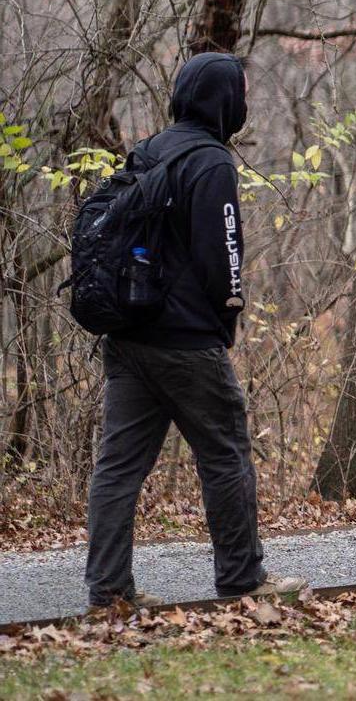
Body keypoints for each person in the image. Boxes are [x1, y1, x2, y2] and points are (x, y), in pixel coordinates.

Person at [86, 52, 306, 610]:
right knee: (226, 453)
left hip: (128, 336)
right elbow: (222, 257)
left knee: (117, 466)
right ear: (224, 100)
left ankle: (109, 592)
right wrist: (225, 318)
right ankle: (242, 579)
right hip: (185, 340)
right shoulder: (211, 162)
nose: (246, 103)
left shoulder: (150, 150)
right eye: (242, 92)